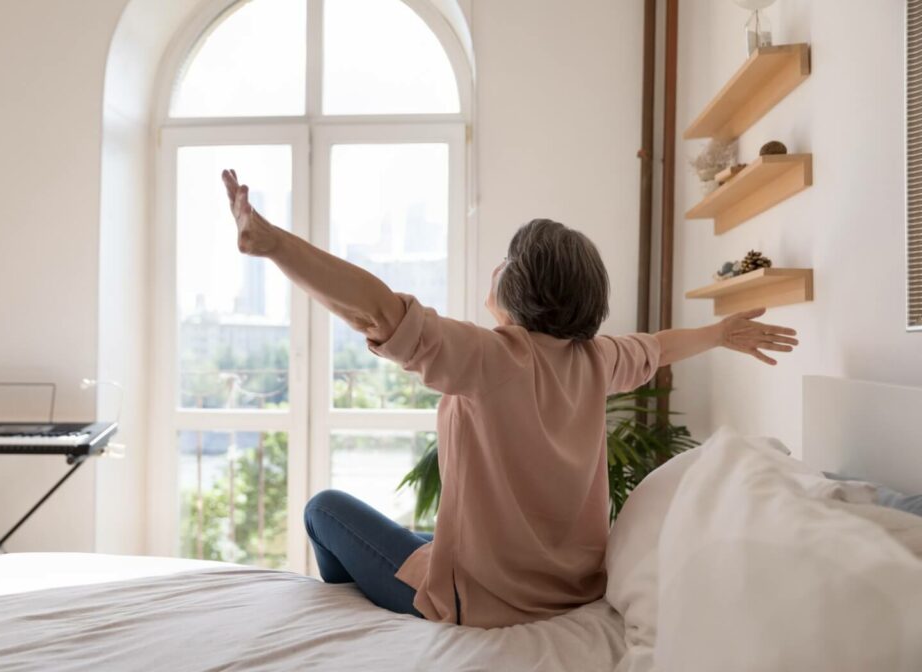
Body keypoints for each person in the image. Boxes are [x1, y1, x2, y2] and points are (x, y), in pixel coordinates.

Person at [220, 169, 799, 629]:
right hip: (568, 589)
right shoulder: (596, 359)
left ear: (516, 285)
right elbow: (659, 348)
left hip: (487, 601)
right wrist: (721, 334)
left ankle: (374, 632)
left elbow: (376, 307)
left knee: (323, 509)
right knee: (423, 534)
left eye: (507, 258)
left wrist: (274, 244)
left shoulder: (490, 358)